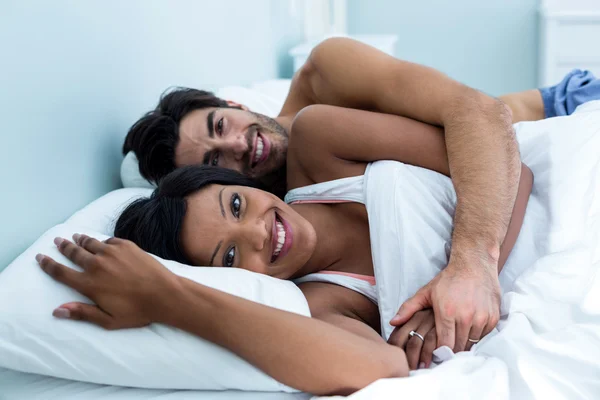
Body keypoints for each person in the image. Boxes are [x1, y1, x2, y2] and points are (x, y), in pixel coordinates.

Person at [121, 37, 600, 353]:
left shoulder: (324, 86)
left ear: (234, 104)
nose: (238, 146)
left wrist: (471, 264)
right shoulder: (286, 247)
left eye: (220, 125)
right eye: (212, 163)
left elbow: (479, 113)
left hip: (558, 112)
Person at [36, 106, 539, 396]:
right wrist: (170, 298)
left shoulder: (322, 144)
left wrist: (469, 269)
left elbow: (517, 172)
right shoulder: (321, 303)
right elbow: (385, 370)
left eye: (235, 204)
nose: (258, 234)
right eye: (230, 258)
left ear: (237, 180)